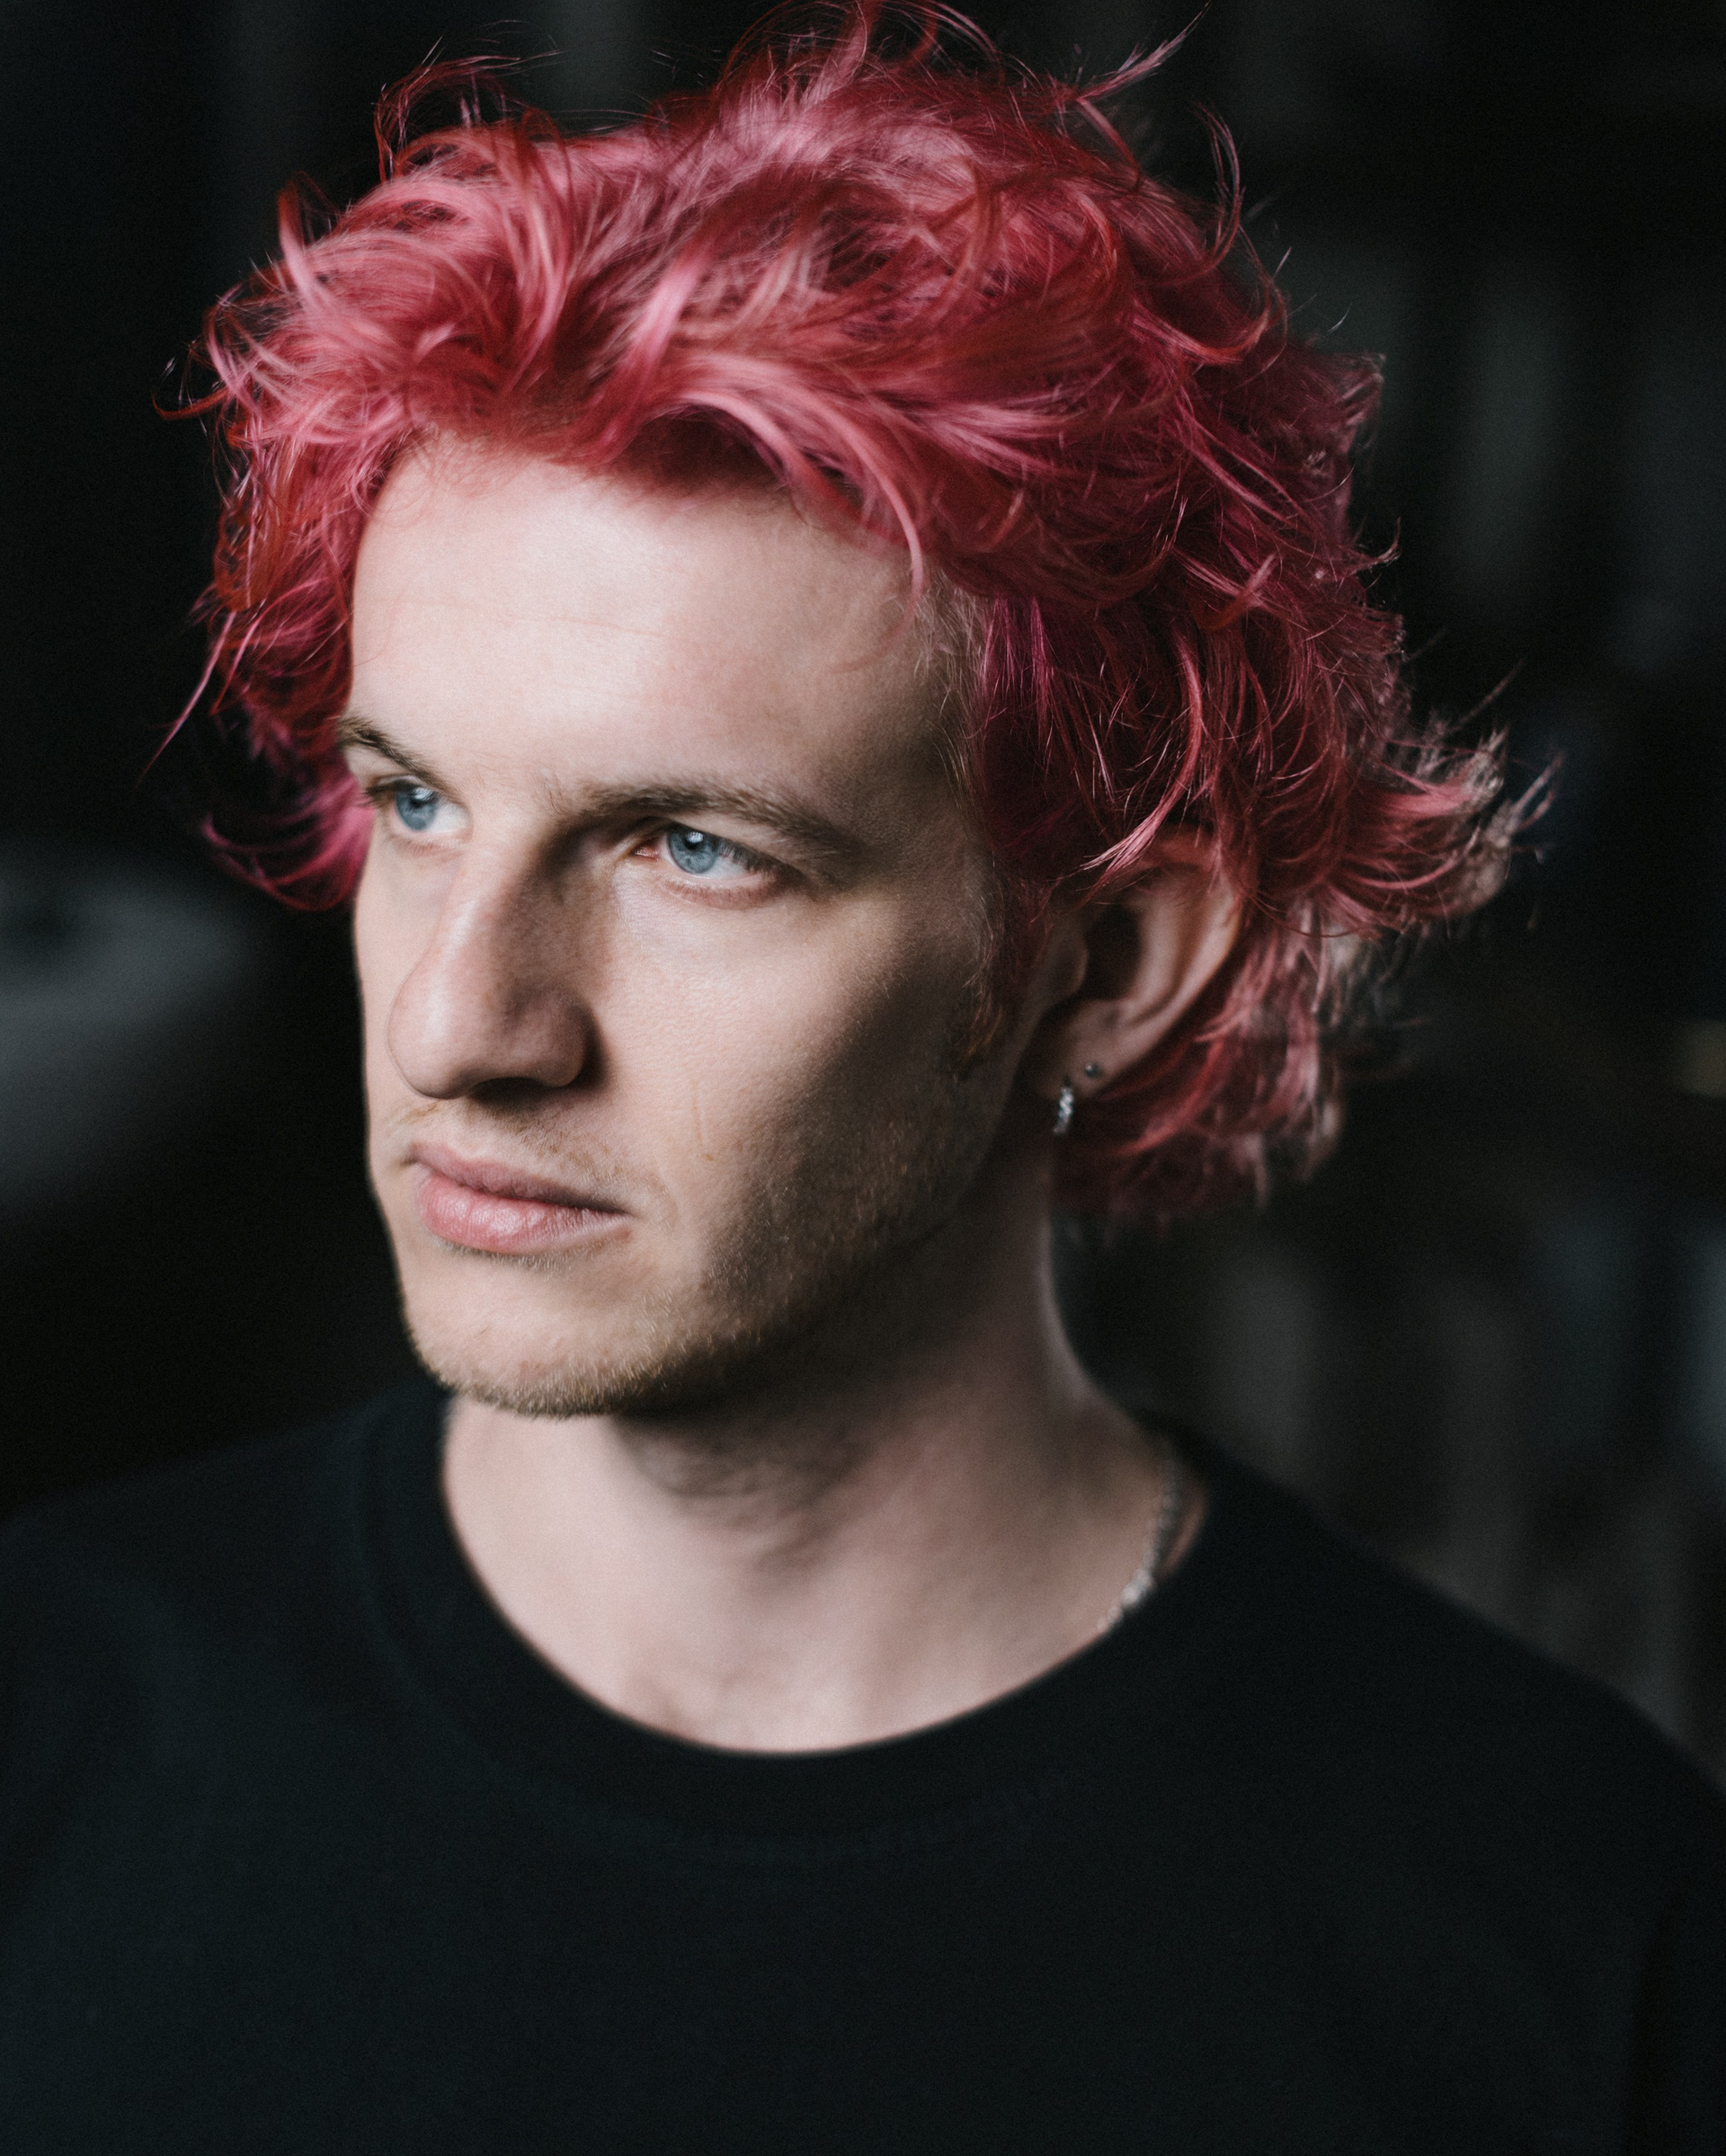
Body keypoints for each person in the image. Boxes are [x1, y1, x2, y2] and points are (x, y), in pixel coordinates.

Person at [2, 8, 1722, 2148]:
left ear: (1111, 970)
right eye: (419, 803)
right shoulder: (47, 1724)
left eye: (692, 850)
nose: (457, 1025)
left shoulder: (1578, 1951)